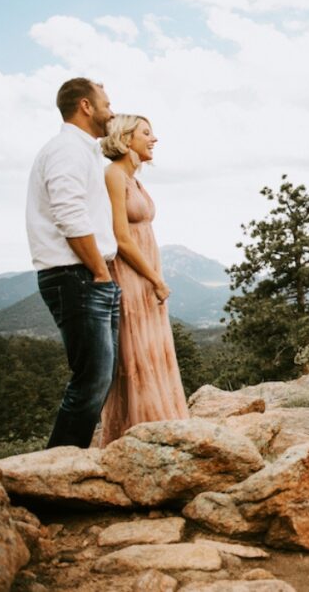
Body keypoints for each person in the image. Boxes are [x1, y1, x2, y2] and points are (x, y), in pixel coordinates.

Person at [26, 78, 120, 448]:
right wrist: (99, 270)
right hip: (76, 275)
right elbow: (69, 215)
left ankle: (65, 462)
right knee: (91, 380)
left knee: (101, 377)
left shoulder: (84, 151)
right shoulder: (67, 149)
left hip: (87, 274)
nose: (111, 112)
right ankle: (55, 467)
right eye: (107, 104)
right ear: (86, 106)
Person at [97, 115, 189, 446]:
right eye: (146, 133)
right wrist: (154, 279)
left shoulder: (134, 179)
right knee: (135, 353)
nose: (154, 139)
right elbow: (121, 239)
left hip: (147, 272)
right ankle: (134, 436)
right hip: (130, 275)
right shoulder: (113, 175)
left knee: (153, 349)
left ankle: (162, 425)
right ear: (124, 138)